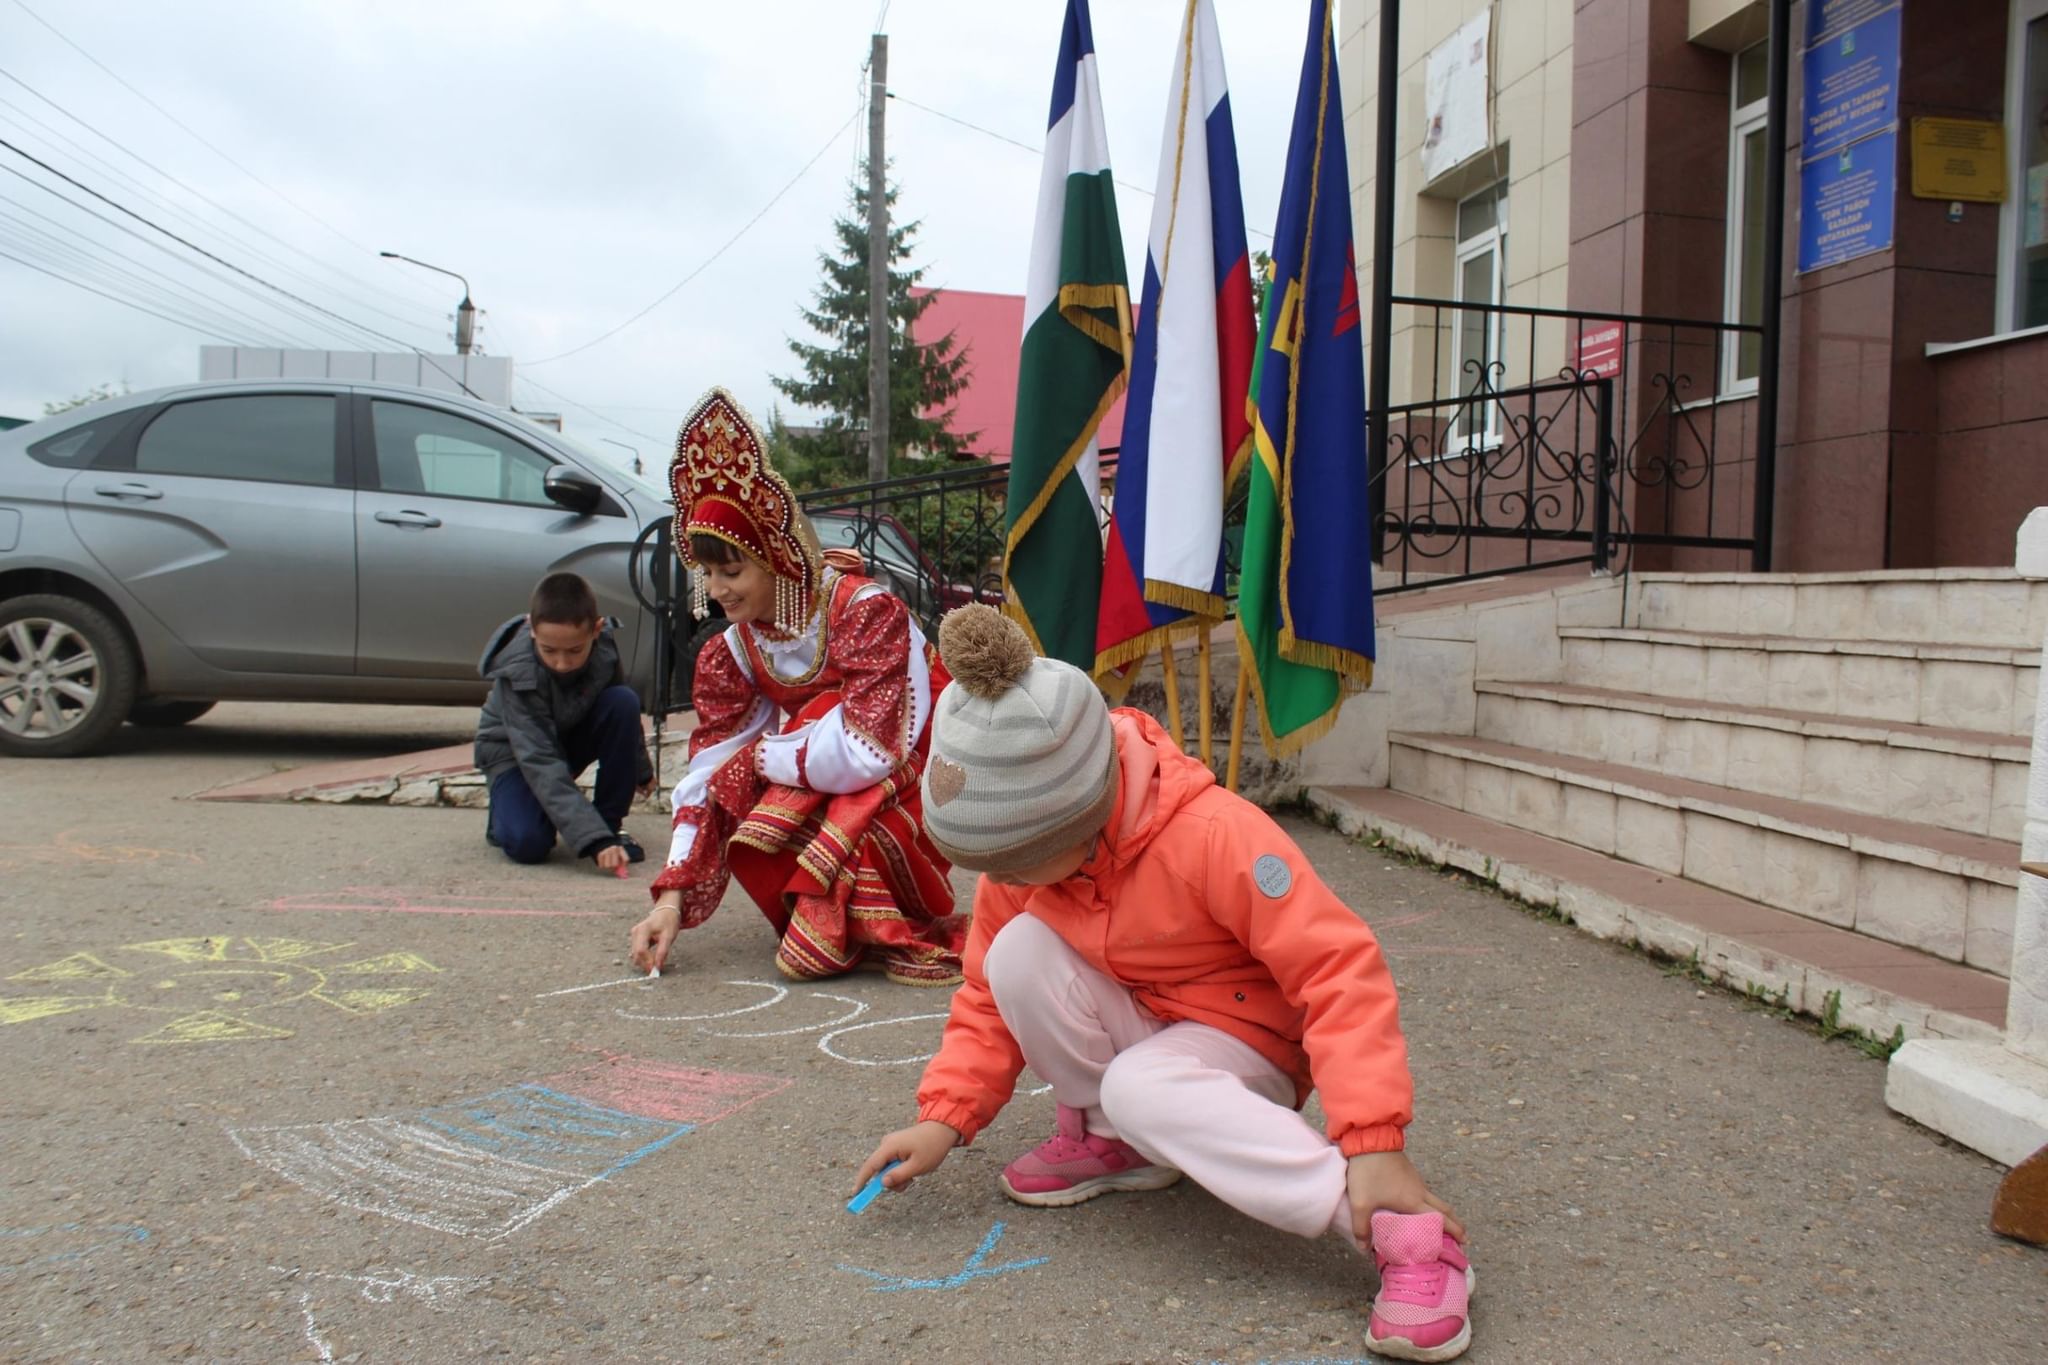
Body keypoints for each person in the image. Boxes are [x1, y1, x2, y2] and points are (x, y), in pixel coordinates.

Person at [853, 605, 1474, 1363]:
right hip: (1151, 1021)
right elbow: (985, 992)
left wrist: (1373, 1141)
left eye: (1013, 863)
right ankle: (1124, 1145)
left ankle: (1399, 1230)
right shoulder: (1024, 860)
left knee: (1140, 1085)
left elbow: (1335, 966)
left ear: (1077, 820)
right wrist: (942, 1117)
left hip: (1249, 1044)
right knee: (1015, 951)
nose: (1000, 881)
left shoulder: (1211, 833)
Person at [627, 387, 965, 986]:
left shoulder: (866, 611)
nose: (716, 589)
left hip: (917, 762)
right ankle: (827, 914)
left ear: (780, 560)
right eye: (706, 572)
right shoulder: (732, 649)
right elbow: (708, 772)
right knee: (763, 771)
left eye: (732, 570)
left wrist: (762, 756)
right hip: (839, 764)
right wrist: (669, 899)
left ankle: (858, 912)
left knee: (811, 731)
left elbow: (871, 751)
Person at [475, 571, 653, 874]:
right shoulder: (517, 672)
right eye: (549, 650)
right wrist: (592, 841)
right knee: (528, 844)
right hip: (514, 756)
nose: (561, 662)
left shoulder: (605, 650)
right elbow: (539, 759)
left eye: (574, 651)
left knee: (622, 700)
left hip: (564, 738)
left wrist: (640, 769)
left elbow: (622, 719)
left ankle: (609, 825)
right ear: (532, 629)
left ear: (596, 630)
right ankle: (505, 817)